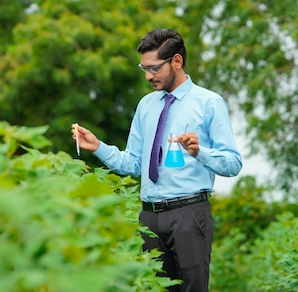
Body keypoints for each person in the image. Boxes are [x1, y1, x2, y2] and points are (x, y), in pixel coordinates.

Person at [72, 28, 242, 292]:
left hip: (189, 214)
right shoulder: (146, 105)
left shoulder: (209, 103)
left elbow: (233, 164)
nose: (148, 76)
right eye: (144, 69)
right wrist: (98, 147)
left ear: (176, 61)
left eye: (154, 68)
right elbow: (134, 164)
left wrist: (200, 152)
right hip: (149, 217)